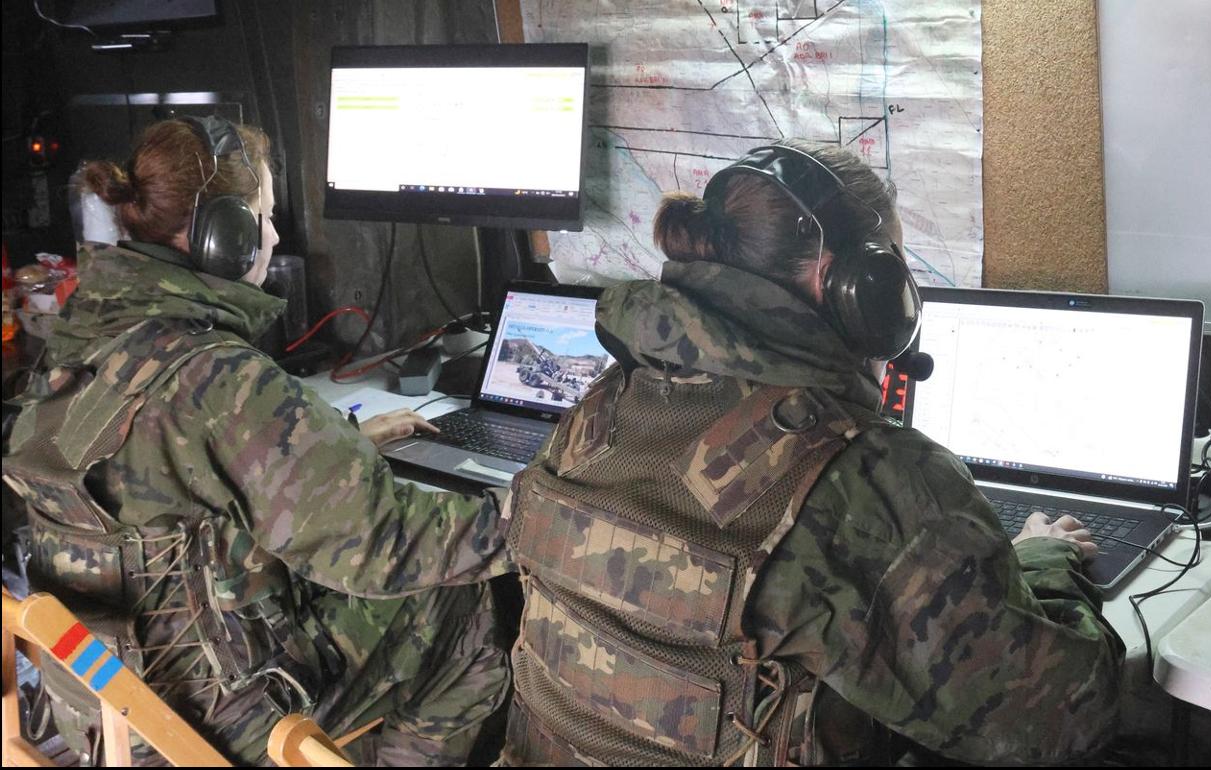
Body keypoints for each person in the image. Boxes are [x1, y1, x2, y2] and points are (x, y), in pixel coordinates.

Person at [498, 141, 1124, 765]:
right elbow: (1063, 720)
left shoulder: (599, 409)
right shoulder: (872, 478)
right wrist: (1045, 563)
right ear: (851, 283)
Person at [2, 117, 513, 766]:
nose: (273, 235)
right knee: (453, 593)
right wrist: (528, 518)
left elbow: (172, 471)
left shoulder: (82, 334)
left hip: (106, 706)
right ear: (225, 236)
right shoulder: (214, 374)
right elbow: (385, 544)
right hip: (217, 719)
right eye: (264, 216)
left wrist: (339, 448)